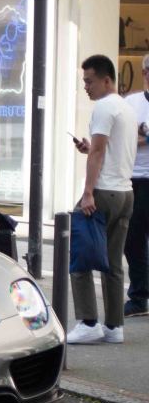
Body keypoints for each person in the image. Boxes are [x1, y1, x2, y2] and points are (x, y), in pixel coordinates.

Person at [68, 54, 138, 345]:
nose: (86, 86)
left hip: (103, 192)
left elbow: (98, 153)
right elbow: (103, 150)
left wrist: (87, 193)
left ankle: (87, 322)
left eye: (89, 81)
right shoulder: (126, 108)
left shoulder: (103, 107)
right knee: (113, 262)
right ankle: (114, 327)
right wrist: (89, 149)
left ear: (106, 80)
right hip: (125, 192)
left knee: (80, 257)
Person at [124, 53, 149, 318]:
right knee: (133, 241)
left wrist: (142, 135)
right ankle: (139, 297)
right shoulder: (131, 103)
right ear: (145, 73)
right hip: (134, 178)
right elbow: (123, 138)